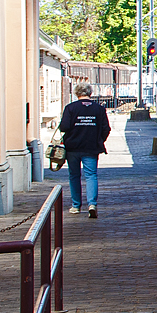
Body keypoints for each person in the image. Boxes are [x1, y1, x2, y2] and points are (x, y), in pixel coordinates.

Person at [58, 84, 111, 218]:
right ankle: (92, 204)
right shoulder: (99, 109)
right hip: (91, 147)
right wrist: (99, 140)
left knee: (74, 175)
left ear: (76, 94)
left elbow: (63, 127)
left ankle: (76, 206)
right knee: (91, 175)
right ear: (90, 93)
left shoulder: (70, 108)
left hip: (73, 148)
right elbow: (106, 128)